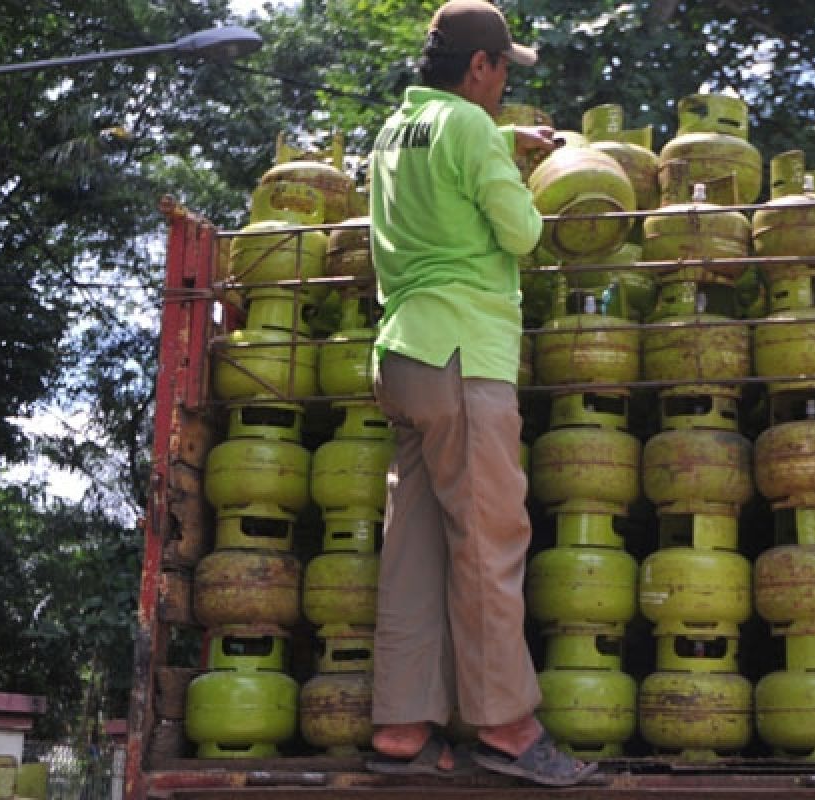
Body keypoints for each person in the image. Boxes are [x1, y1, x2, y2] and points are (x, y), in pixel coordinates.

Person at [362, 0, 597, 788]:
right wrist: (517, 168)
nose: (502, 88)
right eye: (501, 72)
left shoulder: (394, 132)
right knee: (490, 541)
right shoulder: (468, 127)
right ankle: (504, 723)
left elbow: (449, 152)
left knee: (415, 548)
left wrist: (499, 142)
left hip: (403, 355)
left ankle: (402, 726)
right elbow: (522, 232)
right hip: (466, 354)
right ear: (478, 67)